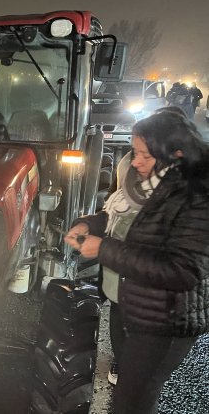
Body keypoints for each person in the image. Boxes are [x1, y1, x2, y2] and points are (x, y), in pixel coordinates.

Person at [64, 110, 209, 413]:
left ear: (176, 154)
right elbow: (121, 218)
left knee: (132, 402)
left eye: (144, 155)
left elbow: (182, 271)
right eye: (134, 152)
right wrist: (90, 225)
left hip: (163, 320)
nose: (135, 161)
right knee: (129, 395)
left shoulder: (196, 197)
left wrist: (104, 249)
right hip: (128, 305)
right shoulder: (146, 185)